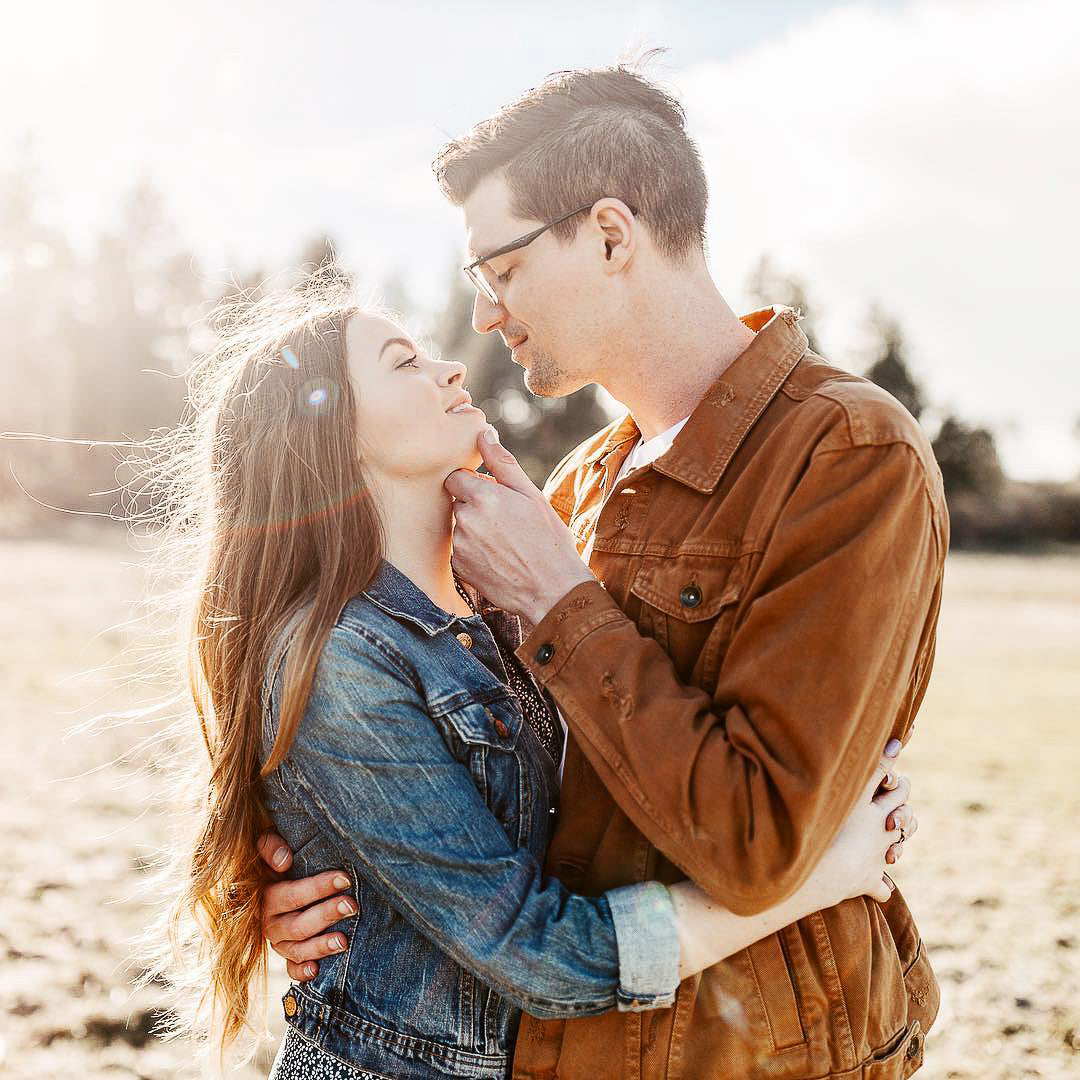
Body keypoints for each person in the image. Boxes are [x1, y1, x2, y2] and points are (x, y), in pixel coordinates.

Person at [263, 63, 947, 1079]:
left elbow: (759, 846)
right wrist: (321, 874)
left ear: (612, 235)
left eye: (499, 269)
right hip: (565, 1048)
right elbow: (466, 768)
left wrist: (558, 601)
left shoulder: (847, 456)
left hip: (754, 1056)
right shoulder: (578, 483)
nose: (487, 314)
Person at [161, 277, 913, 1078]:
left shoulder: (492, 610)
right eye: (402, 362)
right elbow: (540, 955)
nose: (451, 367)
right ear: (331, 435)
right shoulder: (343, 660)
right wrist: (818, 880)